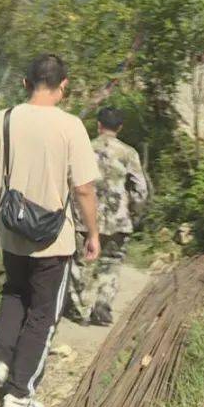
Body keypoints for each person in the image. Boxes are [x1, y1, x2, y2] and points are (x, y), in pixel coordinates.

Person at [0, 55, 101, 407]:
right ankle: (18, 392)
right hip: (53, 238)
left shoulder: (3, 120)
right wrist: (92, 232)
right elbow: (83, 189)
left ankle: (1, 358)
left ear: (25, 84)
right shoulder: (71, 126)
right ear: (64, 85)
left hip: (13, 232)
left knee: (14, 292)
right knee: (43, 315)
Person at [66, 107, 148, 326]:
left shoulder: (83, 149)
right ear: (120, 127)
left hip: (84, 217)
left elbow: (69, 182)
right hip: (117, 219)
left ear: (98, 125)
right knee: (111, 263)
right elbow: (140, 188)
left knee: (82, 263)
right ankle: (102, 305)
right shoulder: (129, 153)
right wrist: (135, 212)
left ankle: (81, 309)